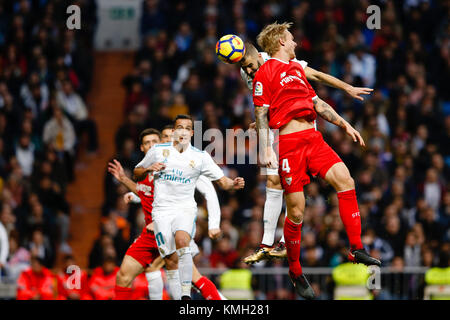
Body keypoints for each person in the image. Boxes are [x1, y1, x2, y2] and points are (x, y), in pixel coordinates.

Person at [252, 22, 380, 299]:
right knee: (296, 211)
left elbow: (318, 104)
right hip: (288, 145)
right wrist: (265, 149)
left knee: (346, 179)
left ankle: (356, 247)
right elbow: (261, 113)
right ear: (280, 43)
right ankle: (296, 272)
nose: (295, 42)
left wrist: (345, 124)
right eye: (291, 39)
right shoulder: (265, 71)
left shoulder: (297, 70)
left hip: (314, 139)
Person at [238, 41, 373, 264]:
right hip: (279, 130)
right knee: (275, 182)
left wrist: (347, 88)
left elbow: (317, 78)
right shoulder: (248, 74)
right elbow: (268, 104)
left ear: (256, 54)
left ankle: (280, 244)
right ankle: (267, 244)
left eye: (250, 66)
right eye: (244, 69)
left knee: (304, 194)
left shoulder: (281, 60)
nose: (249, 71)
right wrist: (262, 124)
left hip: (305, 130)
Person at [134, 114, 245, 300]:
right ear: (174, 131)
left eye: (187, 128)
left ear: (192, 133)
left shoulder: (200, 157)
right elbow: (137, 173)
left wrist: (233, 183)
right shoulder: (158, 151)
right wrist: (148, 168)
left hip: (185, 209)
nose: (183, 131)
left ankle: (186, 294)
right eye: (179, 127)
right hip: (161, 212)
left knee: (182, 241)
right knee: (170, 260)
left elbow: (221, 182)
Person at [111, 128, 225, 300]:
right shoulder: (146, 170)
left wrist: (213, 224)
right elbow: (145, 192)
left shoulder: (177, 166)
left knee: (191, 278)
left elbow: (198, 195)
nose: (151, 145)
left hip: (170, 231)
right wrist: (125, 181)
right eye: (147, 143)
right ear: (141, 148)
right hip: (150, 236)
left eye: (155, 142)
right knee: (124, 276)